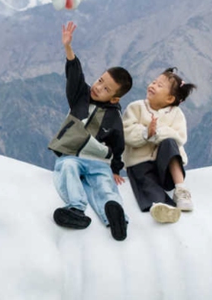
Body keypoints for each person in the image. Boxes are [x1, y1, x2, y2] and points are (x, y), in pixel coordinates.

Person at [47, 21, 134, 241]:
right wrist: (68, 48)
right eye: (100, 80)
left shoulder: (114, 117)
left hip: (98, 160)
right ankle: (76, 209)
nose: (98, 87)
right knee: (67, 168)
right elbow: (75, 75)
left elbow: (118, 144)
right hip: (72, 155)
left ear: (114, 98)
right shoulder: (80, 96)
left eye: (106, 89)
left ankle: (116, 215)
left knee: (104, 183)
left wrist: (115, 169)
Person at [122, 67, 196, 224]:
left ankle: (180, 189)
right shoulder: (135, 108)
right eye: (154, 82)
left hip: (165, 167)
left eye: (159, 85)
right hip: (140, 163)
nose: (153, 85)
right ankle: (161, 207)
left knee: (169, 143)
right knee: (146, 183)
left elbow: (179, 137)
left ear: (169, 98)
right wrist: (145, 133)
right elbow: (126, 131)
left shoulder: (176, 114)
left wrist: (156, 134)